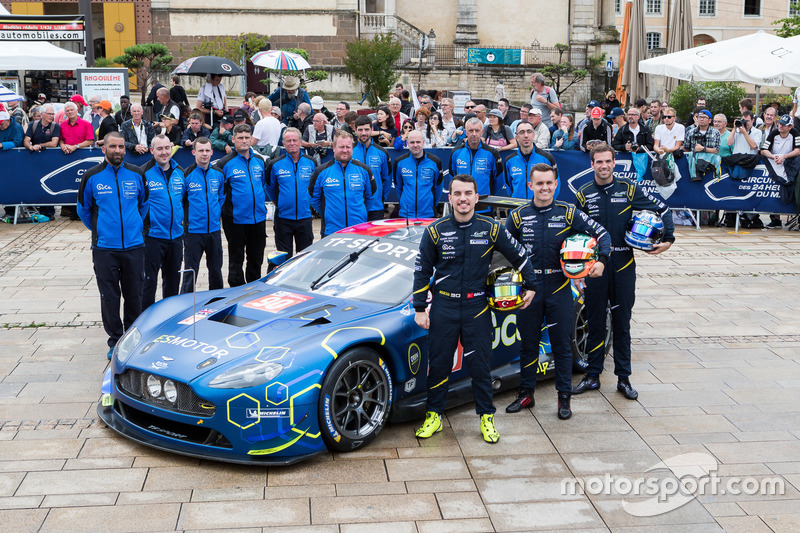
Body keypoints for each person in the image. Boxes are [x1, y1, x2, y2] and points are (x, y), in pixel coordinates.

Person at [412, 174, 537, 443]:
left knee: (480, 365)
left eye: (468, 193)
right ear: (450, 198)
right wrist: (420, 307)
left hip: (477, 306)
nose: (463, 199)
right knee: (439, 365)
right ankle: (433, 417)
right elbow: (422, 271)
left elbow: (520, 256)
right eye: (457, 194)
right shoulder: (435, 230)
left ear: (476, 197)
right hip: (443, 305)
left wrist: (532, 285)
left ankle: (486, 418)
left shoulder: (491, 228)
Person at [506, 163, 611, 419]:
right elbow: (502, 249)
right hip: (529, 289)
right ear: (530, 186)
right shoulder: (518, 216)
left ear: (556, 184)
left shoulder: (568, 212)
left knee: (562, 345)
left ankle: (564, 397)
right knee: (528, 345)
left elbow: (602, 233)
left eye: (549, 183)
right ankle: (526, 393)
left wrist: (601, 261)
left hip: (559, 287)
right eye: (539, 183)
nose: (544, 187)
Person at [572, 144, 675, 401]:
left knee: (621, 323)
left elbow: (662, 209)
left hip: (623, 265)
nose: (604, 166)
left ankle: (624, 378)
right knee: (595, 321)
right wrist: (578, 268)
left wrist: (669, 239)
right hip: (596, 268)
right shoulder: (583, 194)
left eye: (608, 161)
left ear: (614, 162)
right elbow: (576, 233)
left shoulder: (629, 189)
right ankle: (593, 375)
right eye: (599, 162)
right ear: (592, 164)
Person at [77, 131, 148, 359]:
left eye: (121, 147)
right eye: (113, 146)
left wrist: (133, 227)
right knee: (109, 296)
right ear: (104, 149)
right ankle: (115, 340)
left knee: (135, 294)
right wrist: (102, 231)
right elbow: (84, 210)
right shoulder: (91, 176)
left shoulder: (136, 174)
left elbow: (143, 205)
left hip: (134, 247)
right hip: (105, 249)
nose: (118, 150)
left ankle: (133, 338)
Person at [215, 124, 268, 287]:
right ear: (233, 139)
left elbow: (263, 185)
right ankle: (236, 289)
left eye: (247, 137)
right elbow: (219, 192)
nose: (244, 141)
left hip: (258, 219)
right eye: (240, 138)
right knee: (236, 259)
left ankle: (253, 288)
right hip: (235, 220)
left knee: (256, 258)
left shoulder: (260, 161)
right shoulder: (224, 164)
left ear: (251, 139)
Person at [140, 134, 185, 309]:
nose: (164, 152)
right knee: (148, 282)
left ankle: (169, 316)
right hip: (152, 236)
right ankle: (145, 318)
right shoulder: (143, 173)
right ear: (152, 151)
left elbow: (183, 199)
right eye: (159, 149)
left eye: (167, 148)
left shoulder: (179, 171)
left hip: (175, 236)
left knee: (173, 281)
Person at [308, 131, 377, 236]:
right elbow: (313, 198)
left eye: (348, 147)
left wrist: (360, 213)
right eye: (341, 147)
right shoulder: (321, 171)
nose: (345, 150)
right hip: (331, 231)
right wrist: (328, 213)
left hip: (358, 229)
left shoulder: (364, 170)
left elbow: (371, 197)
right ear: (334, 148)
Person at [265, 127, 317, 257]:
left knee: (305, 257)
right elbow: (270, 188)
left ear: (300, 142)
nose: (292, 143)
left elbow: (316, 188)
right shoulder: (275, 164)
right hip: (283, 219)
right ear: (283, 143)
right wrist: (279, 203)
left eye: (295, 140)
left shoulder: (311, 162)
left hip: (305, 218)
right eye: (288, 141)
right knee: (283, 258)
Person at [182, 137, 225, 293]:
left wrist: (215, 215)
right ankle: (185, 303)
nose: (204, 154)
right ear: (194, 152)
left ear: (212, 152)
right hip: (193, 232)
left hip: (214, 230)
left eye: (207, 150)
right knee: (190, 273)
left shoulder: (219, 174)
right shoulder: (186, 174)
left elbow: (221, 197)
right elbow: (180, 200)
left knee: (216, 271)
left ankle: (216, 302)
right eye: (201, 150)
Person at [449, 117, 505, 199]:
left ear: (482, 132)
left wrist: (489, 196)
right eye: (471, 130)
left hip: (485, 204)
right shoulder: (456, 152)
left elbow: (499, 180)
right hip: (462, 203)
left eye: (477, 130)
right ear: (465, 132)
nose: (474, 134)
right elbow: (452, 177)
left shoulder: (492, 153)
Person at [761, 115, 800, 229]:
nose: (780, 126)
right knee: (772, 188)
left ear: (790, 126)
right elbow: (764, 150)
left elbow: (798, 150)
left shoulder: (795, 133)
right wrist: (774, 157)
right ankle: (775, 219)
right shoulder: (774, 133)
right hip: (775, 162)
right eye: (780, 123)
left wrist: (784, 156)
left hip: (790, 163)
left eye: (784, 124)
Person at [393, 129, 444, 217]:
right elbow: (398, 187)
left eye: (418, 142)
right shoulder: (400, 162)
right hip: (406, 214)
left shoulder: (435, 161)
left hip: (428, 214)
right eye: (412, 142)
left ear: (423, 142)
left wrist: (431, 205)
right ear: (407, 143)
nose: (415, 145)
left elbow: (438, 187)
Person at [504, 121, 557, 199]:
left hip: (539, 208)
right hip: (517, 207)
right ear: (517, 137)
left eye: (529, 132)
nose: (526, 135)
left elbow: (555, 184)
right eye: (522, 132)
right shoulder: (509, 161)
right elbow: (508, 186)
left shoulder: (547, 158)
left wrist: (546, 203)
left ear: (533, 135)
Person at [352, 116, 391, 220]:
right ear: (355, 130)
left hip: (376, 207)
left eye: (366, 129)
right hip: (355, 207)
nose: (363, 133)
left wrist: (380, 199)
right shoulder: (349, 151)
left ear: (372, 130)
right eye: (360, 130)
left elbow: (387, 179)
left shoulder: (382, 152)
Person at [724, 111, 762, 181]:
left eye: (747, 121)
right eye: (744, 120)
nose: (745, 123)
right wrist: (734, 128)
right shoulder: (737, 130)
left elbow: (753, 146)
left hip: (749, 162)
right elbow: (729, 143)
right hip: (737, 160)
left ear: (752, 120)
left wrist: (744, 133)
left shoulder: (757, 132)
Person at [683, 109, 721, 181]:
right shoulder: (690, 132)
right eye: (700, 117)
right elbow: (686, 148)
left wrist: (702, 149)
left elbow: (716, 150)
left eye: (704, 117)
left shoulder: (715, 133)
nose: (702, 119)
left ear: (709, 120)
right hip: (694, 166)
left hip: (710, 166)